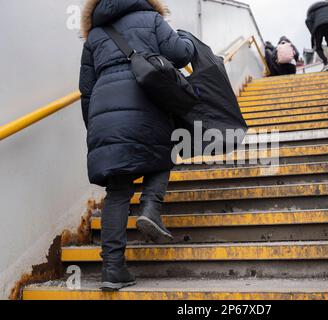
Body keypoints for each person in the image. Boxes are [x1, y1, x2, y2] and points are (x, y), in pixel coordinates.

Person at [79, 0, 195, 291]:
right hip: (146, 100)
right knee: (162, 154)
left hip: (104, 113)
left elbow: (86, 90)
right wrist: (187, 41)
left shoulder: (94, 35)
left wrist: (94, 127)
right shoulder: (150, 18)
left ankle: (112, 269)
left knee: (117, 191)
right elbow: (180, 55)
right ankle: (150, 208)